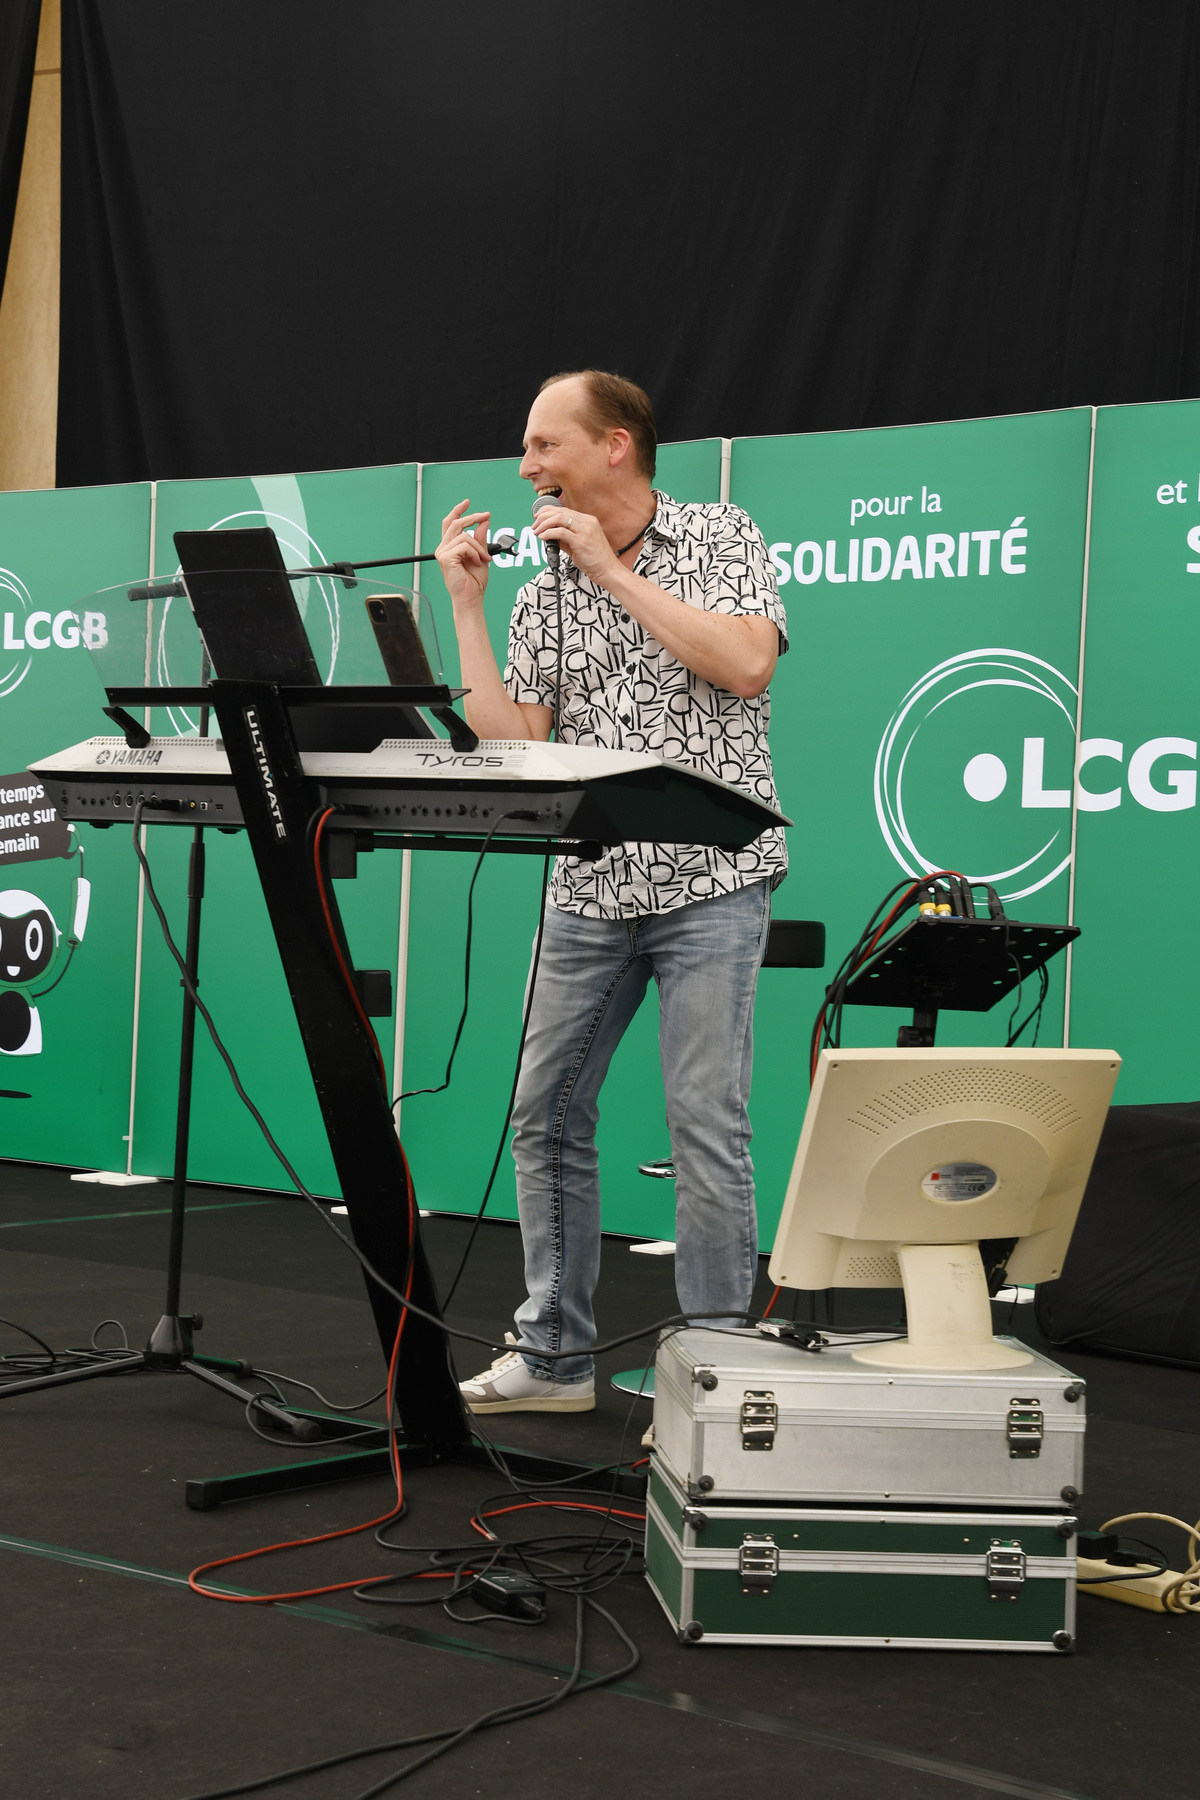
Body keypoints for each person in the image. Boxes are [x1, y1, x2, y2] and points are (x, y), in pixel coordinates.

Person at [434, 370, 787, 1413]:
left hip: (713, 882)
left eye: (544, 445)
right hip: (587, 888)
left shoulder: (720, 534)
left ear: (615, 445)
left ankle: (716, 1374)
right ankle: (554, 1360)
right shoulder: (542, 588)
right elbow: (514, 743)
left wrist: (609, 569)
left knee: (704, 1127)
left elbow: (747, 666)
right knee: (543, 1115)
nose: (525, 467)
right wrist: (467, 609)